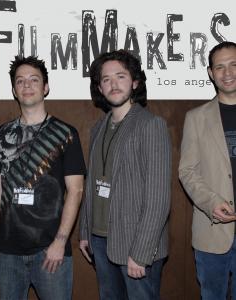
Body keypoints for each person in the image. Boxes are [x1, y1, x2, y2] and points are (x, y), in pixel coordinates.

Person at [0, 55, 86, 300]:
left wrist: (60, 242)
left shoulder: (66, 133)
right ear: (14, 90)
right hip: (7, 253)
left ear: (45, 87)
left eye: (33, 80)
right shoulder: (2, 133)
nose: (27, 85)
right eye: (20, 81)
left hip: (50, 251)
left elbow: (76, 191)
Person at [79, 49, 172, 299]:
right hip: (100, 240)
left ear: (135, 81)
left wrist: (141, 253)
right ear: (99, 87)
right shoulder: (99, 127)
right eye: (106, 79)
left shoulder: (150, 125)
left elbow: (158, 199)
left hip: (136, 244)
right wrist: (85, 231)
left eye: (120, 76)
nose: (113, 84)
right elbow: (93, 184)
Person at [179, 41, 236, 299]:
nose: (228, 73)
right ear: (211, 73)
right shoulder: (196, 118)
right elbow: (187, 171)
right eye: (220, 67)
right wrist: (211, 202)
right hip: (212, 231)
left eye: (234, 65)